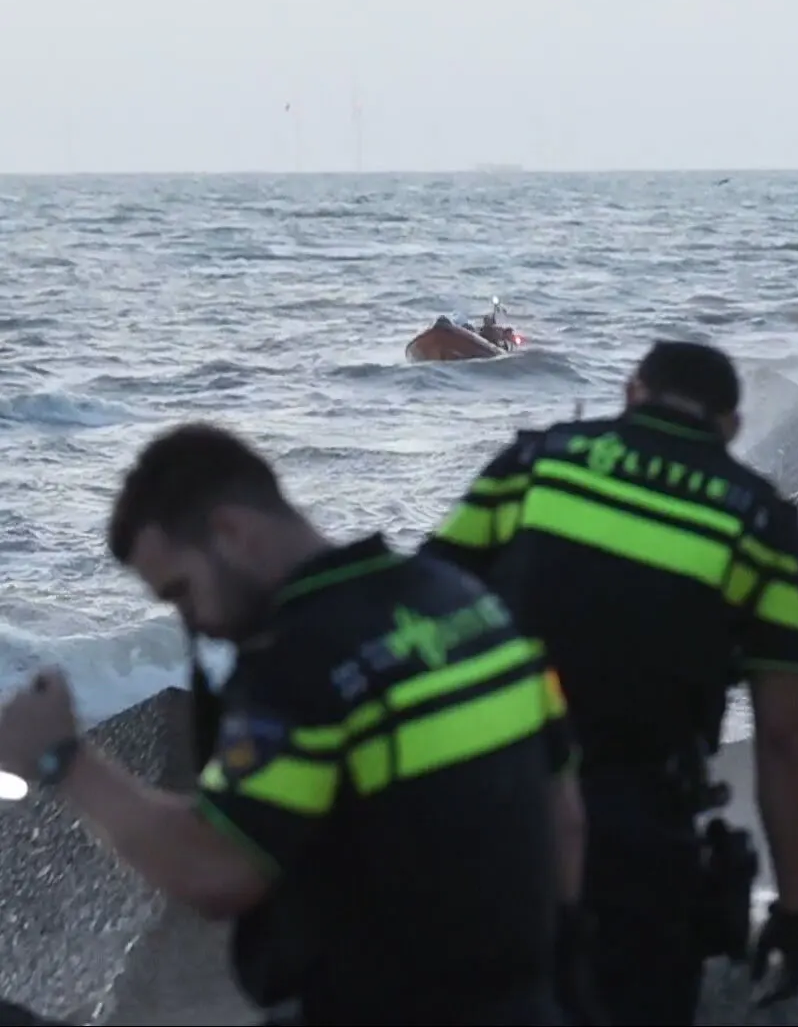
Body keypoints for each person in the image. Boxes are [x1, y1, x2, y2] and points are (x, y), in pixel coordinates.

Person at [0, 423, 586, 1024]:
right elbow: (565, 820)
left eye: (183, 592)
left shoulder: (303, 658)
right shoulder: (465, 602)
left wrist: (64, 760)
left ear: (230, 531)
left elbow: (217, 870)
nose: (195, 623)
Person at [421, 341, 798, 1023]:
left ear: (631, 393)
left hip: (492, 807)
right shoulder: (760, 523)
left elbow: (421, 611)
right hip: (639, 838)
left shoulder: (535, 462)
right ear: (729, 426)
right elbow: (783, 736)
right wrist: (790, 909)